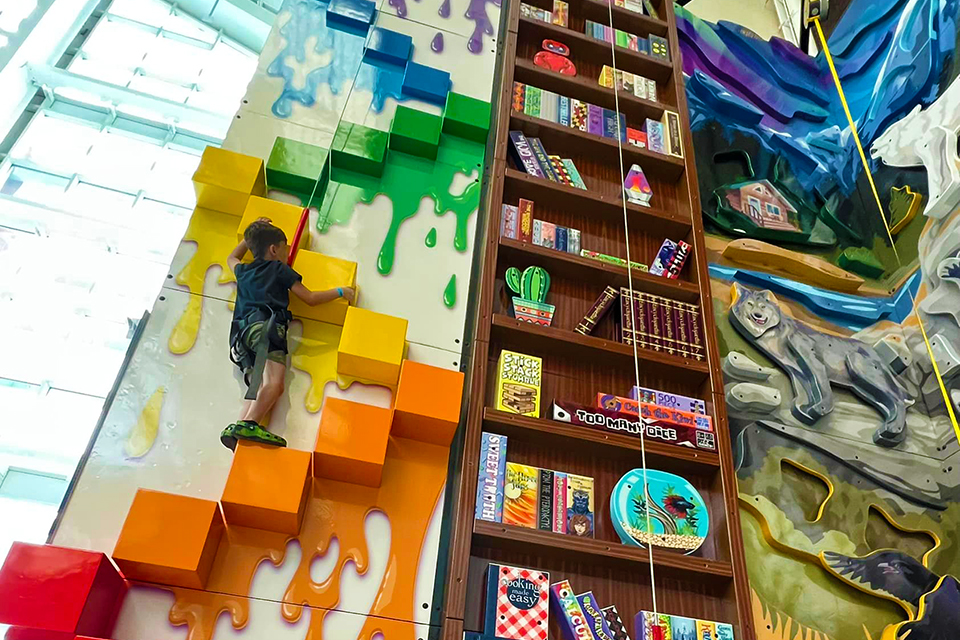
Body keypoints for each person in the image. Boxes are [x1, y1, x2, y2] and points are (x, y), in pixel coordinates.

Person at [220, 218, 355, 450]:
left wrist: (248, 238)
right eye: (285, 249)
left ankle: (239, 431)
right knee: (275, 383)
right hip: (266, 329)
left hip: (242, 336)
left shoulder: (243, 271)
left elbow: (231, 258)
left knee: (259, 385)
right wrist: (341, 291)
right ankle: (250, 423)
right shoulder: (279, 269)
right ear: (274, 249)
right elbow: (310, 299)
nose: (287, 254)